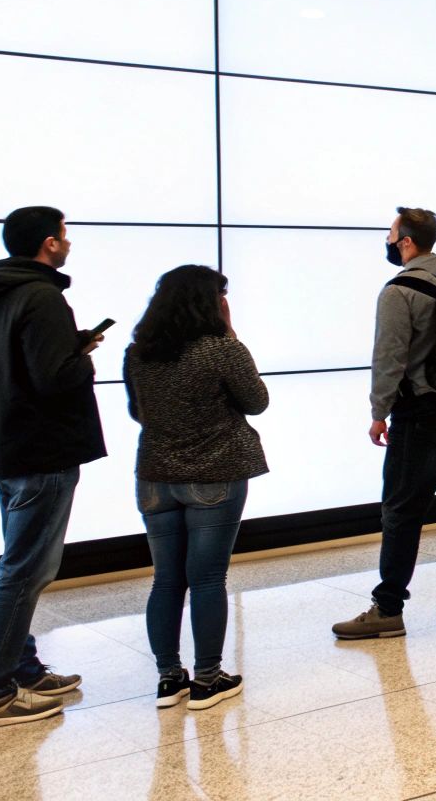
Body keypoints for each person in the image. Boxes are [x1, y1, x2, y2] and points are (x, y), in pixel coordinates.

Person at [0, 206, 107, 731]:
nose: (68, 243)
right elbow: (55, 378)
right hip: (43, 450)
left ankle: (20, 668)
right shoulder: (43, 295)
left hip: (4, 446)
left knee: (17, 564)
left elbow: (19, 370)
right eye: (65, 234)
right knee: (25, 571)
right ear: (49, 243)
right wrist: (83, 352)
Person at [333, 207, 436, 639]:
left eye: (390, 234)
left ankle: (387, 608)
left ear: (406, 242)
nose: (387, 242)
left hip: (422, 413)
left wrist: (378, 412)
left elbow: (389, 358)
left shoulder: (399, 291)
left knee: (402, 511)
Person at [123, 265, 267, 710]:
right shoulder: (219, 350)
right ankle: (208, 678)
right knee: (207, 579)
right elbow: (257, 401)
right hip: (214, 474)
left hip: (155, 478)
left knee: (166, 580)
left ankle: (169, 678)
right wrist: (230, 333)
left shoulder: (137, 353)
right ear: (212, 302)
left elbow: (137, 412)